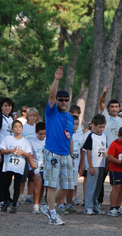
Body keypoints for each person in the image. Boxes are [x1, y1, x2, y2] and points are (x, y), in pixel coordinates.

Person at [40, 66, 75, 226]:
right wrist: (57, 79)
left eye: (65, 100)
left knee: (68, 186)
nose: (62, 102)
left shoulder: (70, 118)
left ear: (68, 102)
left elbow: (70, 138)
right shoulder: (51, 112)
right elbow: (52, 96)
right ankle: (53, 215)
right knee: (52, 185)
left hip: (65, 154)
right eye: (60, 100)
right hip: (52, 152)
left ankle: (49, 207)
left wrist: (71, 155)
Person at [98, 85, 122, 207]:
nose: (114, 109)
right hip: (106, 153)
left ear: (119, 108)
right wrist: (104, 92)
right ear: (108, 108)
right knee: (101, 179)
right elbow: (101, 102)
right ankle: (98, 202)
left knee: (119, 182)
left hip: (119, 155)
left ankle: (118, 205)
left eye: (116, 107)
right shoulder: (105, 117)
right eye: (112, 107)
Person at [0, 121, 34, 213]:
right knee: (6, 184)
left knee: (17, 185)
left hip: (19, 167)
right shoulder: (8, 139)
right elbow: (2, 151)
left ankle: (14, 203)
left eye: (19, 126)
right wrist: (11, 150)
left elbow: (29, 155)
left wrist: (22, 152)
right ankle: (6, 201)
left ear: (22, 129)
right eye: (15, 126)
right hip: (8, 165)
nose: (17, 128)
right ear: (12, 129)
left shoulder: (25, 141)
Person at [81, 114, 108, 215]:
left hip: (101, 164)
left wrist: (106, 165)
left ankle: (95, 205)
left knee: (98, 186)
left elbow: (105, 151)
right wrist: (90, 166)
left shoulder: (104, 136)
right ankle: (88, 207)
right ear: (94, 125)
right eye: (99, 127)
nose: (101, 129)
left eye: (103, 127)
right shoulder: (90, 136)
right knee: (91, 186)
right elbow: (88, 152)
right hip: (93, 165)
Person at [0, 97, 15, 204]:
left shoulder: (10, 118)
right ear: (1, 107)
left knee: (6, 176)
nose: (7, 108)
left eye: (9, 106)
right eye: (5, 105)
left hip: (9, 151)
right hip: (0, 150)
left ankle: (6, 196)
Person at [29, 122, 46, 214]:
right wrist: (35, 170)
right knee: (37, 183)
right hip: (35, 166)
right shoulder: (32, 142)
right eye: (40, 134)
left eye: (44, 134)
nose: (43, 136)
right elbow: (30, 157)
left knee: (43, 185)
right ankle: (35, 205)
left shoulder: (48, 140)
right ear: (36, 132)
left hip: (45, 166)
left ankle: (39, 203)